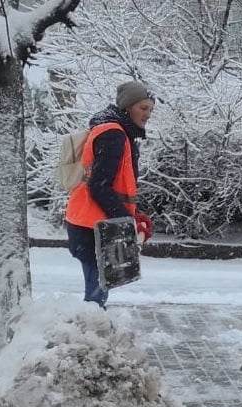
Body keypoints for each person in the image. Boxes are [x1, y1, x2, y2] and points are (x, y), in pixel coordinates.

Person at [65, 81, 155, 308]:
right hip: (91, 226)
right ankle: (87, 336)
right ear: (127, 107)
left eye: (151, 109)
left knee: (98, 289)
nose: (148, 114)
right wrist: (128, 219)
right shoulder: (113, 134)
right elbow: (99, 185)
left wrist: (133, 214)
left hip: (89, 221)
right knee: (96, 295)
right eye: (143, 108)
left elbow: (112, 185)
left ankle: (90, 332)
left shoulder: (114, 131)